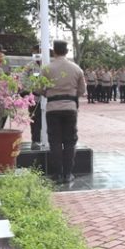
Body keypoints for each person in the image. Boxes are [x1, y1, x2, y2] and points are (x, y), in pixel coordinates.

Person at [43, 40, 85, 184]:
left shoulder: (47, 69)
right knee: (70, 141)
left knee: (54, 141)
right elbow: (82, 91)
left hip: (52, 108)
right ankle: (68, 174)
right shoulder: (76, 69)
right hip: (70, 108)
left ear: (54, 51)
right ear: (67, 52)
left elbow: (37, 89)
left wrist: (49, 93)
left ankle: (58, 174)